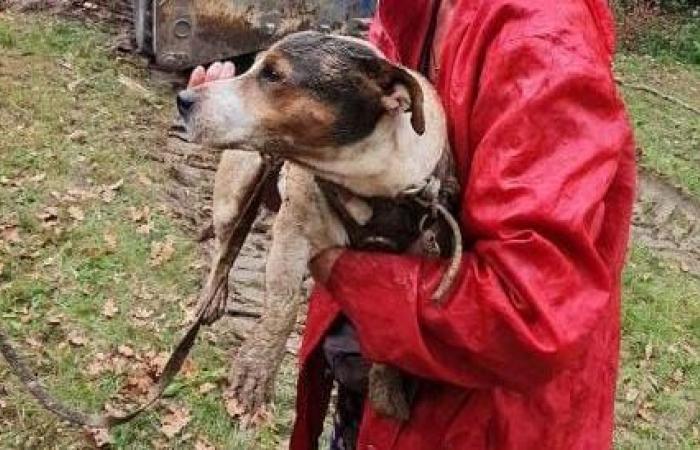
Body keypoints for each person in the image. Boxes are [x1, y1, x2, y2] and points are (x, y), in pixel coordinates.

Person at [189, 0, 636, 448]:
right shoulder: (415, 8)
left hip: (476, 424)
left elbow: (528, 312)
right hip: (372, 381)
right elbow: (358, 157)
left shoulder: (544, 41)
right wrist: (272, 154)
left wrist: (336, 267)